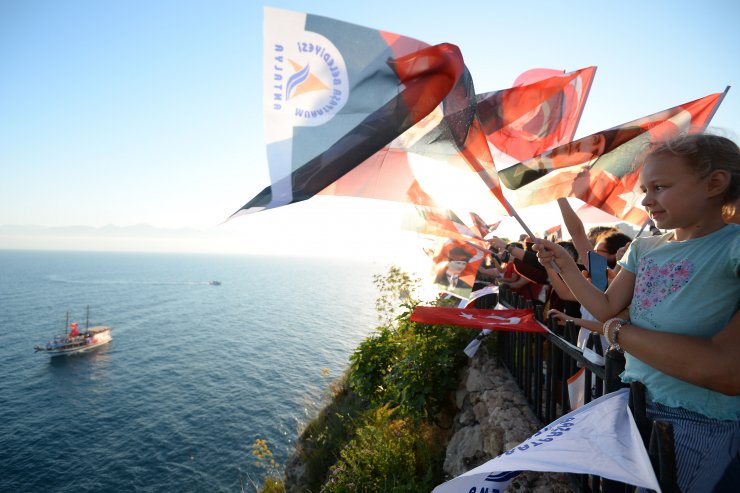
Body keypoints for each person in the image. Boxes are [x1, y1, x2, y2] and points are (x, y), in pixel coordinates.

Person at [534, 133, 740, 492]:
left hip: (696, 417)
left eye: (659, 187)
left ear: (715, 183)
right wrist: (566, 265)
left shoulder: (733, 246)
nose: (646, 200)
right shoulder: (644, 248)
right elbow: (605, 306)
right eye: (644, 189)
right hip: (635, 400)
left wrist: (615, 328)